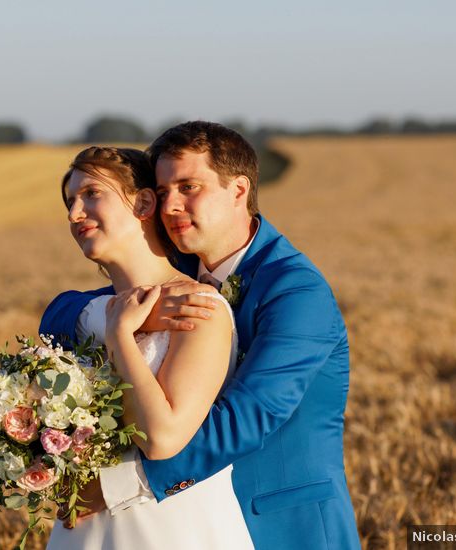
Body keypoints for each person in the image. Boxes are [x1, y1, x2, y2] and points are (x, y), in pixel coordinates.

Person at [40, 121, 360, 549]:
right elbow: (62, 316)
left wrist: (116, 488)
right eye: (164, 190)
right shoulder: (178, 272)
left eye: (189, 187)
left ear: (239, 191)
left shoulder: (297, 290)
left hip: (280, 522)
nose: (171, 204)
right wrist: (134, 317)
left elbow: (245, 420)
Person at [44, 145, 254, 549]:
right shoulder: (86, 315)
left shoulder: (199, 307)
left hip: (172, 528)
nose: (74, 214)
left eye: (91, 194)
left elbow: (160, 438)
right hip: (84, 528)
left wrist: (120, 336)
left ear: (142, 202)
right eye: (71, 202)